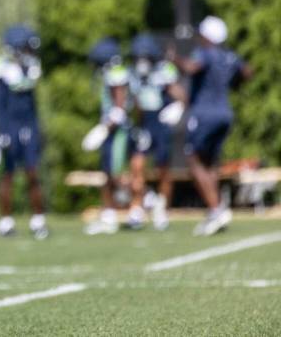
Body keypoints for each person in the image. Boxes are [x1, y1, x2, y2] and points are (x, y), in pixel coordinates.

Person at [170, 16, 252, 236]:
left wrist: (174, 59)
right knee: (209, 162)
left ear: (207, 36)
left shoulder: (205, 53)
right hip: (225, 113)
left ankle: (216, 209)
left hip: (204, 113)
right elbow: (247, 72)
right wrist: (232, 82)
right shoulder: (228, 56)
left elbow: (192, 67)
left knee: (193, 159)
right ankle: (215, 209)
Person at [0, 25, 48, 240]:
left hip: (28, 125)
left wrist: (38, 129)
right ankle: (5, 221)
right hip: (9, 126)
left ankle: (38, 220)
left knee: (32, 172)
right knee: (8, 174)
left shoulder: (30, 67)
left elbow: (32, 103)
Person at [126, 33, 186, 231]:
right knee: (136, 166)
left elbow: (181, 95)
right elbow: (134, 102)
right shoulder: (132, 73)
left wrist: (178, 106)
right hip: (144, 123)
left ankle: (162, 208)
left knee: (163, 169)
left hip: (160, 122)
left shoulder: (164, 71)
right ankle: (137, 207)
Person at [82, 37, 131, 236]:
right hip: (112, 130)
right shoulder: (113, 73)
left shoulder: (116, 74)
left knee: (114, 173)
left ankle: (146, 200)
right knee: (108, 173)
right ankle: (109, 215)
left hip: (116, 131)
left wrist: (103, 130)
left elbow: (119, 109)